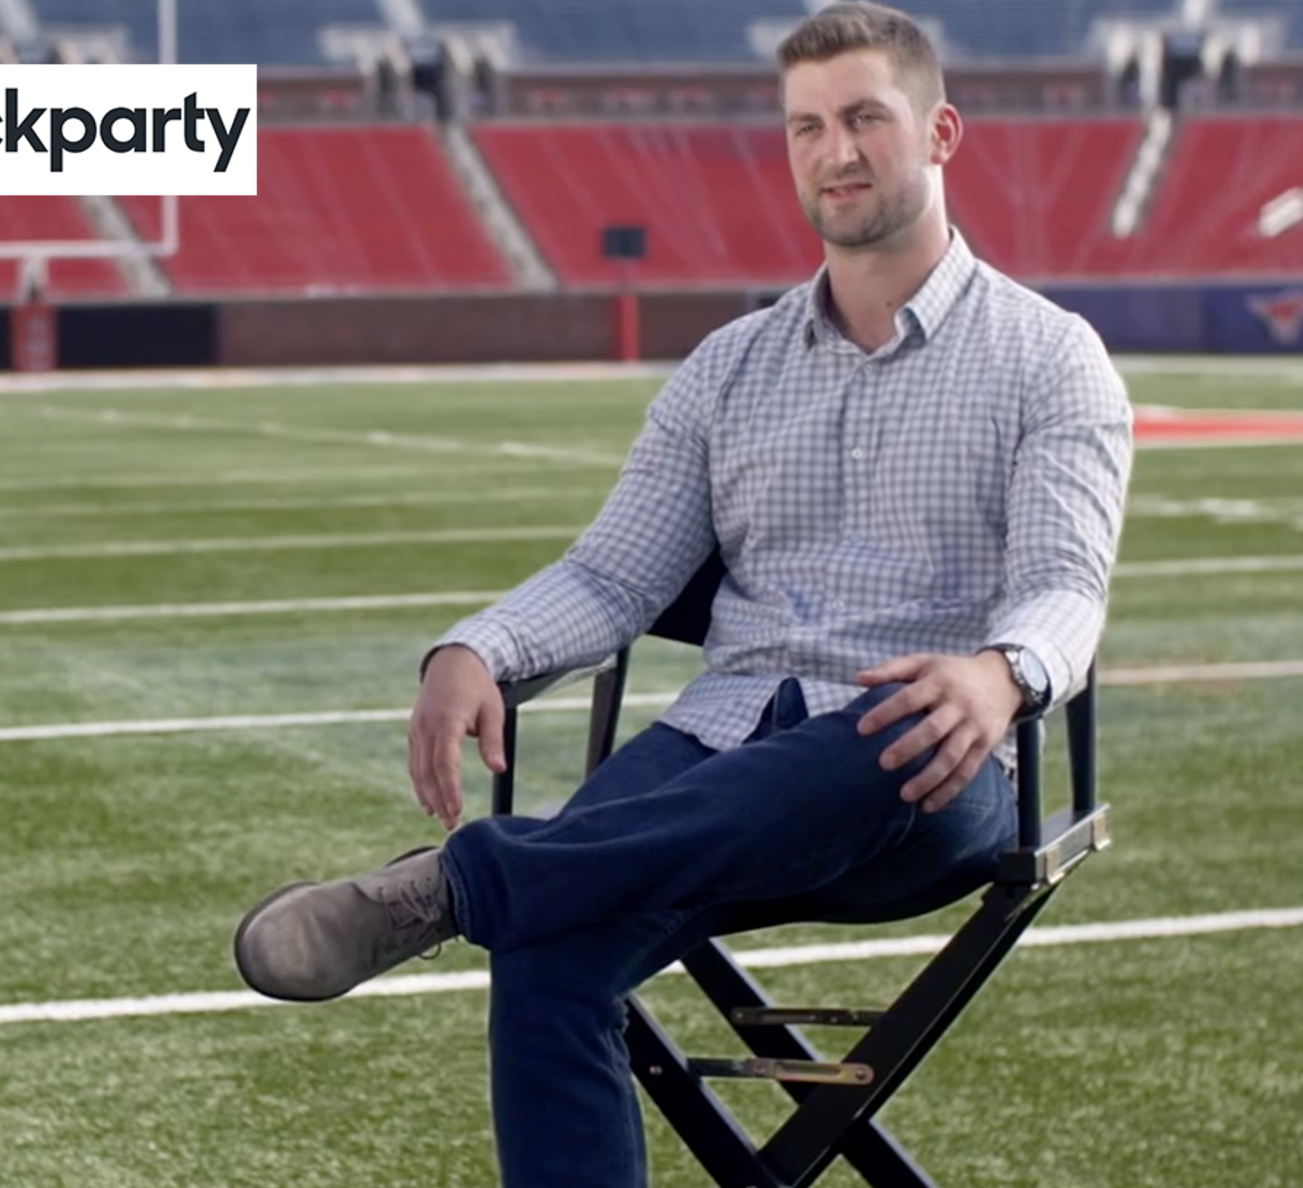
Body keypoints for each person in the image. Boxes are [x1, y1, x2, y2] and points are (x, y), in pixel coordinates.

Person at [233, 3, 1133, 1184]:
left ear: (940, 132)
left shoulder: (1047, 354)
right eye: (807, 127)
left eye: (866, 118)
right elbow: (612, 573)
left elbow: (1068, 588)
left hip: (927, 764)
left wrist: (997, 672)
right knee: (551, 955)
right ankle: (503, 888)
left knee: (855, 739)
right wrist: (475, 650)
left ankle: (463, 882)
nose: (836, 152)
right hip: (723, 741)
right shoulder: (726, 369)